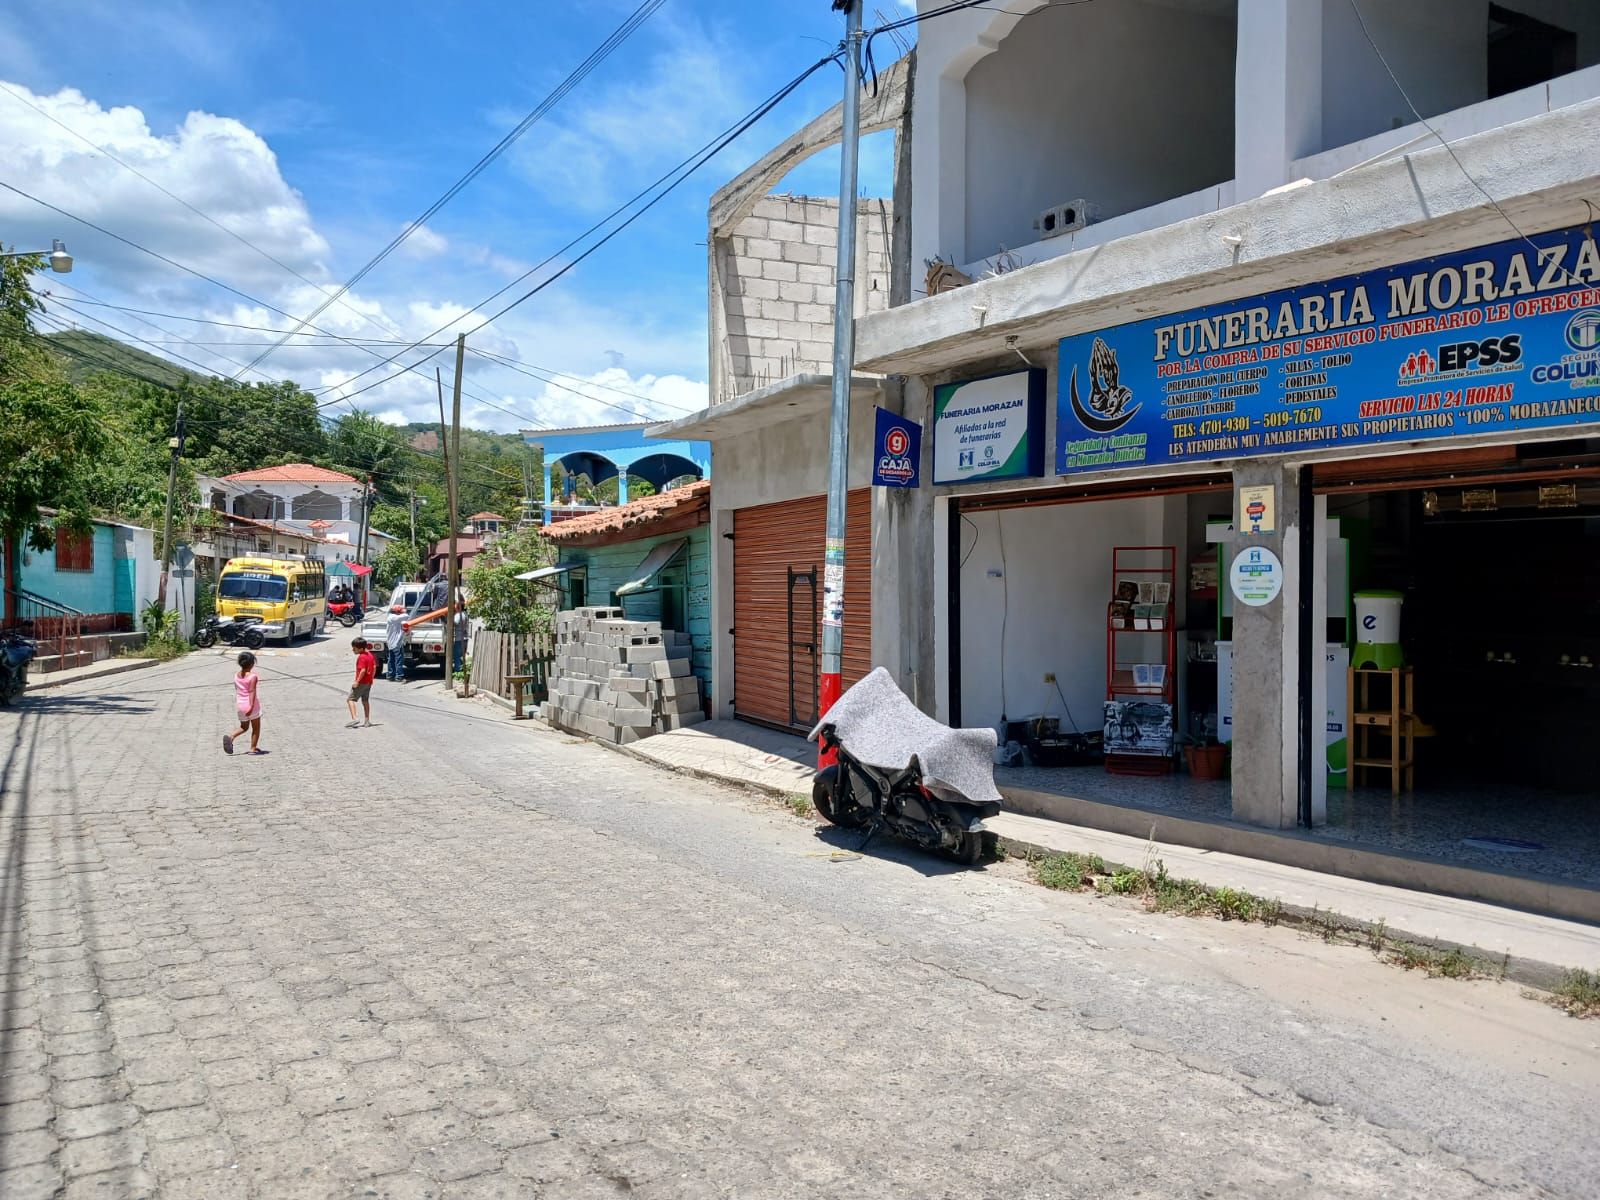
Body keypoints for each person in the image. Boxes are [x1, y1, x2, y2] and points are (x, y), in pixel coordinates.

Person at [223, 651, 263, 755]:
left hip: (240, 705)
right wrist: (251, 706)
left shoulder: (236, 675)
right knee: (256, 727)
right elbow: (252, 691)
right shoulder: (253, 676)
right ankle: (253, 748)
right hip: (250, 705)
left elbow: (237, 689)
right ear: (252, 664)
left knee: (244, 727)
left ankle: (231, 737)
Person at [347, 638, 377, 727]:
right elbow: (374, 667)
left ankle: (355, 718)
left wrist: (357, 681)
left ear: (360, 649)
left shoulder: (361, 657)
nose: (353, 650)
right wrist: (371, 678)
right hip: (368, 682)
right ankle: (367, 721)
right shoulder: (370, 655)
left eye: (354, 648)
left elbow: (363, 670)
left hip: (361, 682)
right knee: (365, 700)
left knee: (350, 699)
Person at [384, 604, 407, 683]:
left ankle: (390, 675)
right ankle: (399, 676)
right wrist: (404, 612)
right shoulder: (393, 617)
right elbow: (406, 616)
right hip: (396, 642)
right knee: (398, 660)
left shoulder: (392, 617)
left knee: (391, 659)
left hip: (391, 642)